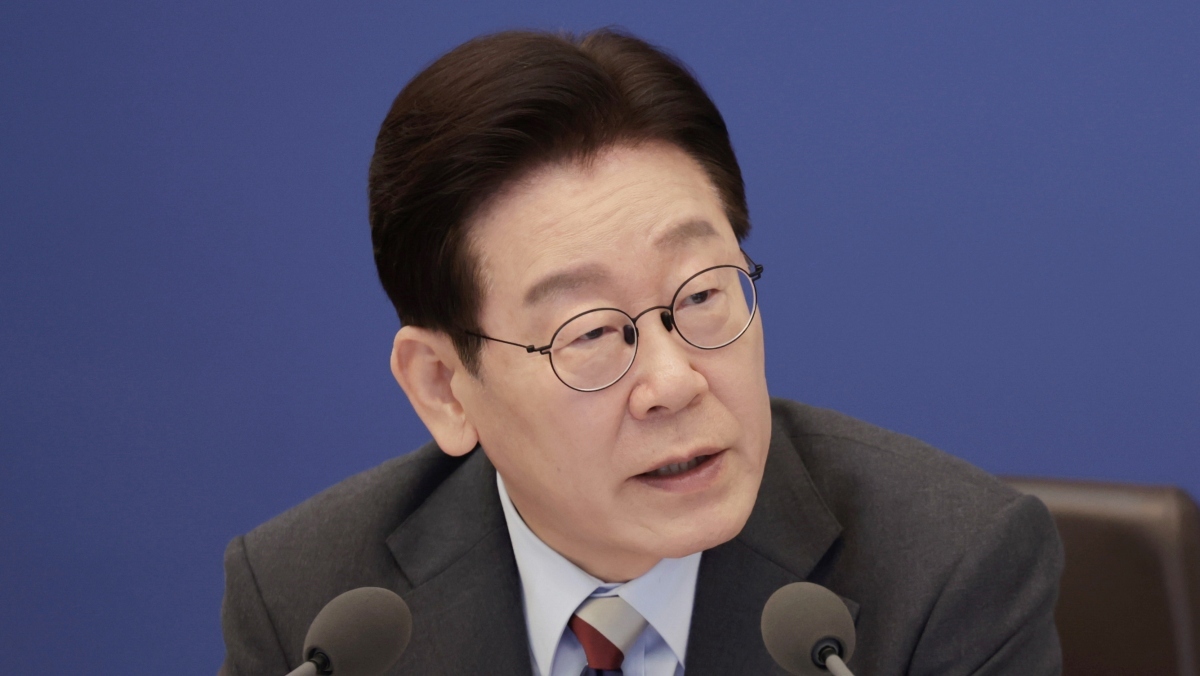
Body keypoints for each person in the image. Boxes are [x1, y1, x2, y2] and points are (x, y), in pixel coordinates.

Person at [219, 28, 1063, 676]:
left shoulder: (947, 574)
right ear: (443, 386)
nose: (673, 381)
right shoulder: (311, 606)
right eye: (591, 334)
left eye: (700, 296)